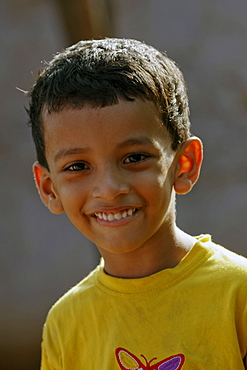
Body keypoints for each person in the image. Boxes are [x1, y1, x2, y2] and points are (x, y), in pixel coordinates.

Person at [27, 38, 247, 369]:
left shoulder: (237, 294)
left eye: (134, 157)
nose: (109, 189)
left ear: (184, 165)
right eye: (77, 166)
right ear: (49, 188)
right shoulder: (66, 323)